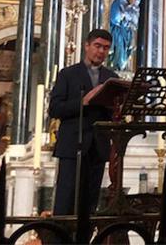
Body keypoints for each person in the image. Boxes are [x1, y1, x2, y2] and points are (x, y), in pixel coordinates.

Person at [49, 29, 119, 215]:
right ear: (86, 46)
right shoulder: (68, 74)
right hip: (73, 145)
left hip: (98, 147)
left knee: (90, 204)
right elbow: (54, 108)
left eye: (106, 48)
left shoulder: (112, 78)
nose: (101, 51)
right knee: (66, 201)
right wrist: (83, 102)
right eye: (97, 46)